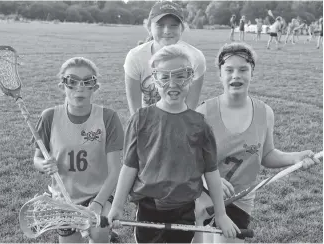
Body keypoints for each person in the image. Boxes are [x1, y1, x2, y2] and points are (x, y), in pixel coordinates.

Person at [107, 44, 240, 243]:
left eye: (180, 76)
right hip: (148, 207)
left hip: (184, 209)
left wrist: (221, 215)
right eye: (164, 77)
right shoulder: (140, 119)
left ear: (191, 78)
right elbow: (129, 166)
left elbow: (211, 172)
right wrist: (116, 207)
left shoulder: (199, 124)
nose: (173, 84)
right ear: (154, 79)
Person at [193, 42, 321, 243]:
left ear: (252, 73)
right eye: (229, 70)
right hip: (203, 195)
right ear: (220, 74)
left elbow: (267, 155)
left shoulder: (265, 112)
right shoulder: (203, 113)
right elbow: (188, 160)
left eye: (243, 69)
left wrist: (296, 157)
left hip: (239, 199)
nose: (236, 75)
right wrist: (208, 177)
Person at [33, 57, 124, 243]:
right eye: (72, 81)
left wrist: (98, 203)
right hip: (64, 198)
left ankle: (104, 235)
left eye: (87, 82)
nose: (79, 87)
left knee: (98, 233)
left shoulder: (108, 117)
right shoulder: (49, 117)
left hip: (98, 194)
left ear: (94, 87)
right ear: (62, 86)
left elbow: (115, 170)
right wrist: (44, 165)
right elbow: (36, 159)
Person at [125, 1, 206, 116]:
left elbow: (190, 108)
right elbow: (135, 112)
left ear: (182, 28)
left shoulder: (196, 58)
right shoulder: (135, 57)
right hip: (148, 122)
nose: (167, 31)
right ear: (149, 27)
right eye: (160, 25)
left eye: (174, 25)